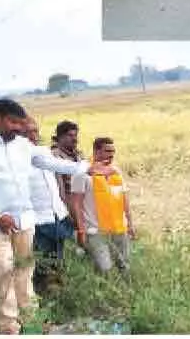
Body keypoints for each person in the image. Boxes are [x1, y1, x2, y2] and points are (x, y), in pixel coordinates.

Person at [0, 99, 113, 335]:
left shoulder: (21, 145)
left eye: (20, 123)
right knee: (4, 274)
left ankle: (34, 323)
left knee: (25, 273)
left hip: (24, 221)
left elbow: (50, 161)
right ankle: (9, 328)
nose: (18, 128)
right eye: (13, 122)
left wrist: (86, 168)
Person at [70, 137, 135, 275]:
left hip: (119, 228)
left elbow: (124, 200)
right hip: (95, 231)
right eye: (107, 151)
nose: (111, 155)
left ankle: (124, 294)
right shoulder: (83, 174)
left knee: (124, 266)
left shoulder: (115, 171)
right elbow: (76, 204)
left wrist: (130, 224)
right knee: (105, 268)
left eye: (113, 151)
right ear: (96, 151)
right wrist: (81, 230)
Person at [23, 119, 74, 295]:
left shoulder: (46, 154)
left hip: (58, 216)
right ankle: (43, 302)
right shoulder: (14, 159)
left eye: (35, 131)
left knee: (60, 260)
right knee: (41, 265)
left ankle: (60, 297)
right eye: (27, 132)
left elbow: (57, 186)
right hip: (38, 221)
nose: (33, 136)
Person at [51, 121, 83, 207]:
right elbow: (60, 189)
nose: (74, 139)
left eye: (75, 135)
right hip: (68, 205)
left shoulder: (78, 155)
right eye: (70, 135)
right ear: (60, 137)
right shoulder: (55, 156)